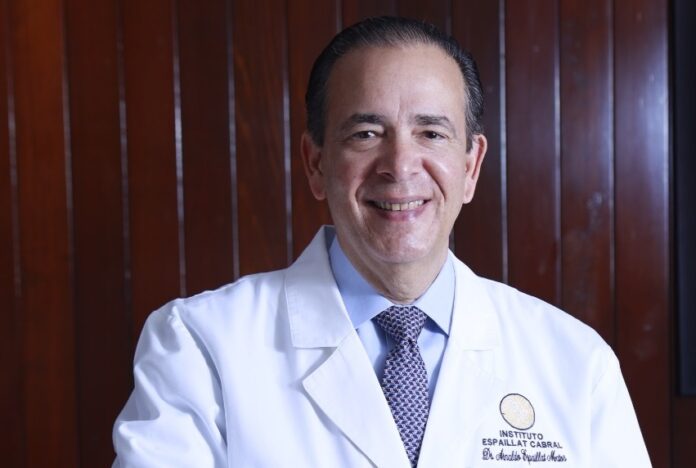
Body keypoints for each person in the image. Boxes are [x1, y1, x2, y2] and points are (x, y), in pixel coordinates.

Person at [112, 16, 651, 467]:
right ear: (316, 163)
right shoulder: (201, 346)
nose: (400, 166)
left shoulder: (575, 361)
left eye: (431, 133)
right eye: (366, 134)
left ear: (470, 167)